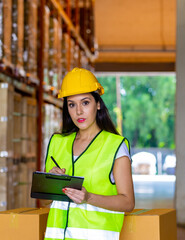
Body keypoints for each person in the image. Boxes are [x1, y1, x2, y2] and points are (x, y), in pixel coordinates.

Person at [44, 68, 135, 240]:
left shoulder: (115, 146)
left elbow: (128, 202)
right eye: (72, 104)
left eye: (85, 102)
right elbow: (44, 201)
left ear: (98, 104)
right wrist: (50, 183)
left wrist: (88, 197)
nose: (78, 111)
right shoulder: (57, 143)